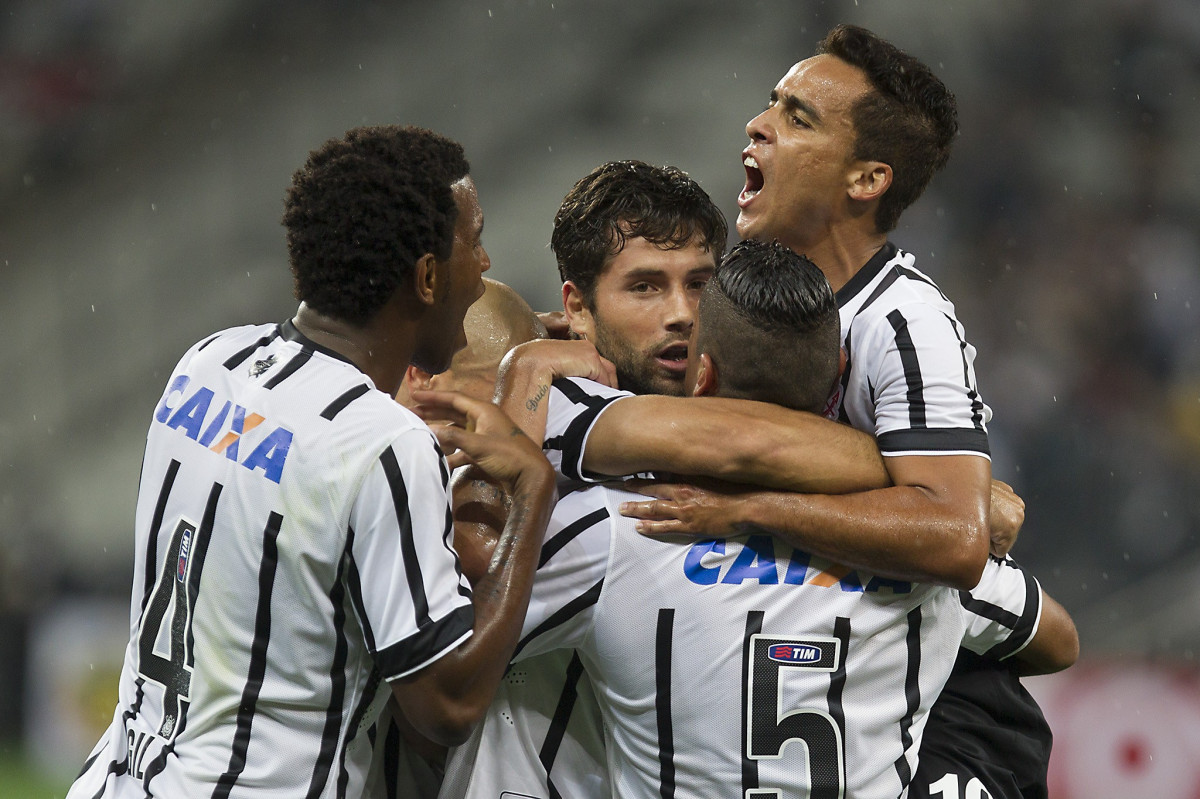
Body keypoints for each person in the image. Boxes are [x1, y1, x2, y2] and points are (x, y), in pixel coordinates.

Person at [67, 125, 559, 798]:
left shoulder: (207, 363)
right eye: (474, 241)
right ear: (426, 274)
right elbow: (445, 706)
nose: (485, 263)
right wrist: (534, 494)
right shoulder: (380, 442)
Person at [484, 241, 1076, 798]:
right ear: (838, 370)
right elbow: (1057, 640)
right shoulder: (921, 546)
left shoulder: (623, 523)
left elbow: (466, 629)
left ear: (703, 374)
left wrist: (525, 368)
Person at [638, 23, 1057, 799]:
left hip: (945, 710)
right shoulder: (755, 296)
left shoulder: (904, 320)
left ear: (866, 180)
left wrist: (757, 507)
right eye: (772, 104)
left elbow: (957, 539)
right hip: (827, 661)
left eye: (798, 118)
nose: (758, 125)